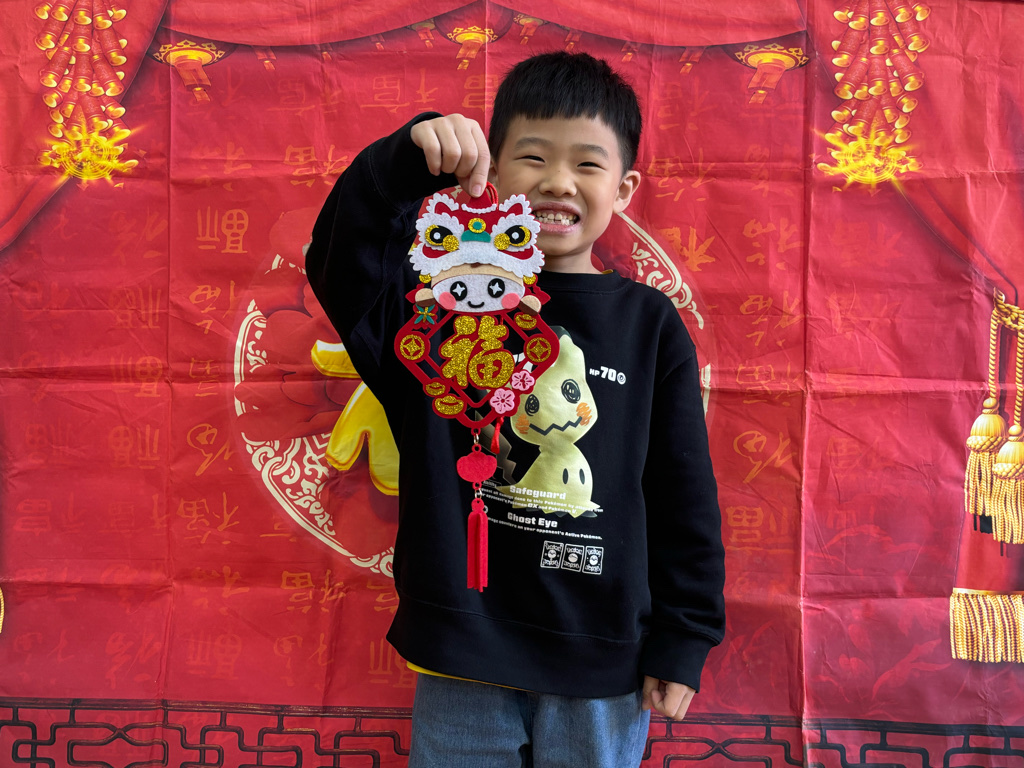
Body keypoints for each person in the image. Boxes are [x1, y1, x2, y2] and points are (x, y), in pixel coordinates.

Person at [306, 51, 725, 768]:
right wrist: (406, 164)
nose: (557, 181)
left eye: (587, 164)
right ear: (494, 173)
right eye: (533, 157)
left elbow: (682, 492)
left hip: (603, 661)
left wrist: (685, 637)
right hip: (463, 649)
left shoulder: (650, 326)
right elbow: (343, 263)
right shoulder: (439, 308)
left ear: (623, 188)